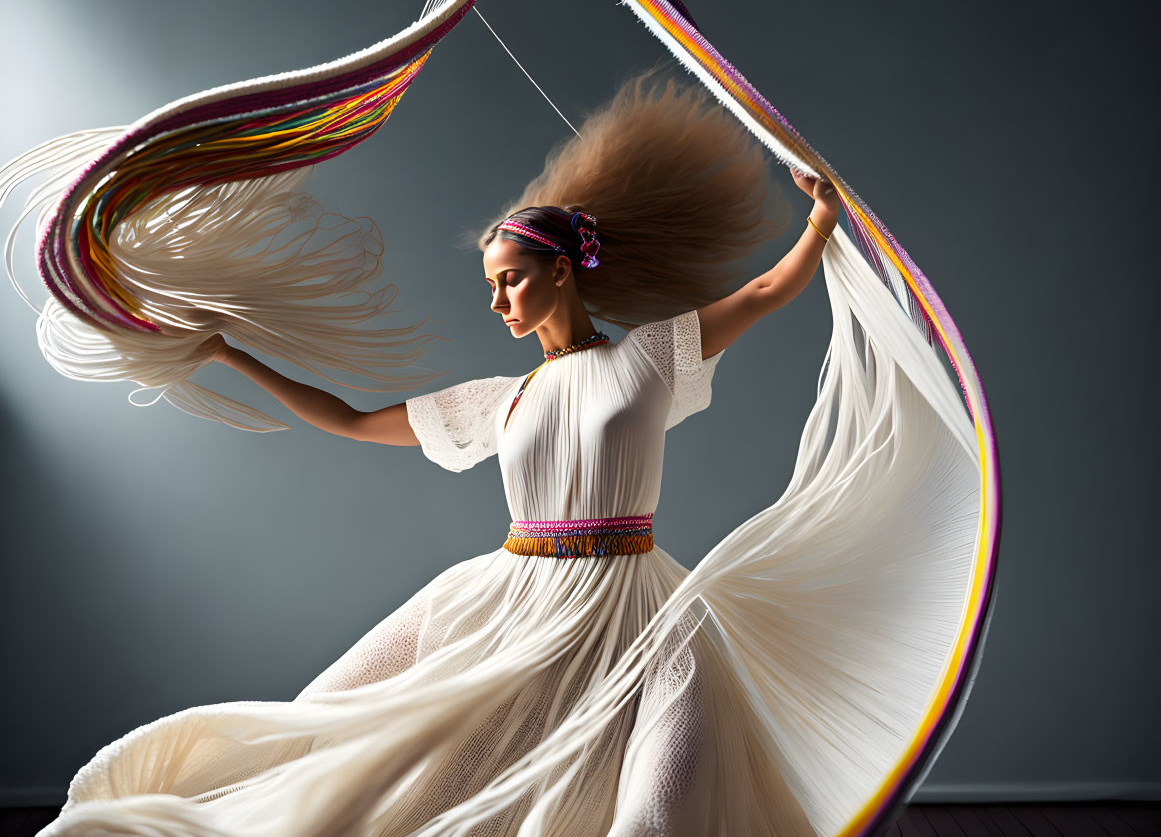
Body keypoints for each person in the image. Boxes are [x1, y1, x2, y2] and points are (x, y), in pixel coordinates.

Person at [36, 73, 972, 837]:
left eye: (510, 280)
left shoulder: (648, 356)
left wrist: (819, 219)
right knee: (335, 724)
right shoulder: (504, 398)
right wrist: (231, 353)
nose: (497, 304)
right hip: (506, 595)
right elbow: (353, 421)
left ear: (562, 269)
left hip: (633, 602)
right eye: (491, 285)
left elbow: (766, 289)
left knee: (653, 804)